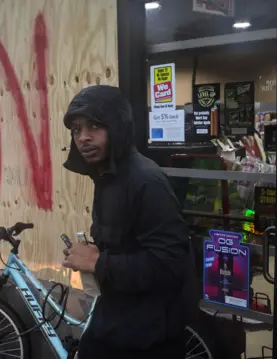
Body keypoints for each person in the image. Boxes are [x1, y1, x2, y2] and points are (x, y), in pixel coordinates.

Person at [61, 85, 198, 359]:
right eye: (77, 129)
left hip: (147, 337)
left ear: (117, 127)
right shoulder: (107, 176)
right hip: (117, 318)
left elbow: (169, 264)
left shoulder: (145, 181)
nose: (83, 138)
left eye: (95, 126)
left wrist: (96, 262)